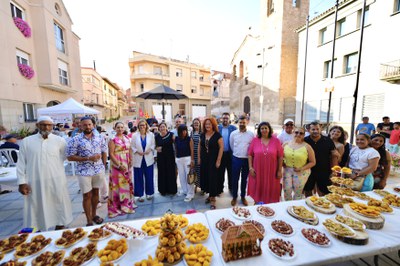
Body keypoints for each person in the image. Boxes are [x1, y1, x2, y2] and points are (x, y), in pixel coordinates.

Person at [17, 116, 72, 231]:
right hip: (35, 181)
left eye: (49, 125)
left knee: (58, 203)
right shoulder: (27, 141)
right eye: (43, 124)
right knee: (37, 205)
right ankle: (38, 230)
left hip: (56, 179)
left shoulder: (60, 141)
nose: (46, 127)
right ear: (37, 125)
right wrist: (21, 182)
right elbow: (21, 163)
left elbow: (65, 157)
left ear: (52, 126)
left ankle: (60, 226)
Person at [67, 117, 107, 226]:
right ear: (80, 126)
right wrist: (88, 158)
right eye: (85, 125)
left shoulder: (99, 137)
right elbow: (70, 157)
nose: (87, 127)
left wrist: (103, 165)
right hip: (84, 171)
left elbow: (104, 151)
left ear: (93, 125)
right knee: (86, 195)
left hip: (98, 170)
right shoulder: (75, 139)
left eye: (89, 124)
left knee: (96, 193)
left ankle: (94, 214)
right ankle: (88, 219)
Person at [248, 122, 283, 204]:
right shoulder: (255, 140)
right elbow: (250, 155)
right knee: (257, 189)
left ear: (269, 129)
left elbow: (280, 156)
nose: (264, 130)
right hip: (257, 169)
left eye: (266, 128)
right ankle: (258, 205)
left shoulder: (276, 141)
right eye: (262, 128)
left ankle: (269, 207)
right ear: (259, 130)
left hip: (272, 170)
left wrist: (279, 170)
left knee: (271, 189)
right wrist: (250, 168)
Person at [107, 122, 136, 218]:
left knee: (127, 184)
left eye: (121, 127)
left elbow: (130, 149)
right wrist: (118, 165)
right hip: (117, 164)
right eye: (118, 127)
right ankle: (118, 206)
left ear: (124, 128)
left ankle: (127, 204)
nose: (120, 129)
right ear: (115, 128)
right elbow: (111, 154)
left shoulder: (127, 138)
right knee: (118, 185)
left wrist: (131, 159)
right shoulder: (112, 140)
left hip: (127, 163)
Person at [304, 121, 338, 197]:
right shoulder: (305, 141)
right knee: (308, 190)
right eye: (313, 129)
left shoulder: (328, 140)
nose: (315, 131)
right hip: (308, 170)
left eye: (317, 129)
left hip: (324, 171)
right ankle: (309, 206)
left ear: (321, 129)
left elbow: (334, 155)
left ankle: (324, 207)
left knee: (325, 192)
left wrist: (334, 171)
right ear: (309, 130)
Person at [282, 127, 316, 201]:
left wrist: (301, 168)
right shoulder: (285, 144)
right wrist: (282, 163)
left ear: (304, 135)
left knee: (298, 193)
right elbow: (280, 157)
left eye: (301, 133)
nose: (298, 134)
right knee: (287, 191)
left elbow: (313, 162)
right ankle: (287, 207)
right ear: (293, 133)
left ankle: (296, 209)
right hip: (287, 170)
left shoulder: (307, 146)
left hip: (301, 172)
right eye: (296, 132)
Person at [229, 115, 254, 206]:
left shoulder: (251, 134)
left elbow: (252, 148)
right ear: (238, 123)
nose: (242, 124)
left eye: (244, 122)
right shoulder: (233, 134)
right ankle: (234, 197)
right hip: (236, 159)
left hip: (246, 160)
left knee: (244, 179)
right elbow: (231, 145)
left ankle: (243, 196)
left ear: (246, 122)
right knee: (235, 179)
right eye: (240, 122)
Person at [199, 117, 223, 209]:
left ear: (213, 125)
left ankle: (213, 200)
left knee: (213, 179)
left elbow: (221, 148)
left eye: (209, 124)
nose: (207, 125)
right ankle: (210, 196)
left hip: (214, 160)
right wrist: (199, 158)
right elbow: (200, 147)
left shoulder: (217, 135)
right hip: (205, 160)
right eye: (206, 124)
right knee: (206, 177)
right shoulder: (202, 134)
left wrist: (218, 160)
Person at [131, 119, 155, 202]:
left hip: (148, 158)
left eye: (143, 125)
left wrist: (149, 150)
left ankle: (149, 194)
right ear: (138, 126)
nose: (142, 127)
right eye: (140, 125)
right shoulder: (134, 135)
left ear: (146, 126)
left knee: (149, 176)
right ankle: (140, 195)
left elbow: (153, 144)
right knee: (138, 177)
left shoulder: (151, 134)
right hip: (138, 158)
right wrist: (137, 151)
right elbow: (132, 146)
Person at [155, 122, 177, 196]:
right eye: (161, 127)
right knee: (162, 173)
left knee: (171, 173)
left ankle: (172, 190)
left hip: (170, 157)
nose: (162, 128)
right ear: (159, 128)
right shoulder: (157, 136)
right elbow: (154, 146)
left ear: (166, 127)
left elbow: (176, 144)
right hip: (161, 158)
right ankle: (163, 190)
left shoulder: (171, 135)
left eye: (163, 126)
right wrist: (156, 148)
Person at [217, 112, 237, 194]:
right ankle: (220, 189)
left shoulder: (233, 128)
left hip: (230, 154)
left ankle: (231, 188)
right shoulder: (218, 128)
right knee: (220, 172)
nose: (225, 119)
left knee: (231, 172)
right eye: (224, 118)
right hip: (221, 154)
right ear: (221, 119)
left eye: (227, 118)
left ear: (229, 119)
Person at [175, 125, 195, 202]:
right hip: (179, 159)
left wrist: (192, 160)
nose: (184, 132)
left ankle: (190, 193)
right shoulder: (176, 139)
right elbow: (176, 149)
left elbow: (192, 150)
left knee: (189, 176)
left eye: (185, 130)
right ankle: (185, 190)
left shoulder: (189, 139)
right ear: (179, 131)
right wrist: (176, 159)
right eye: (182, 130)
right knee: (181, 176)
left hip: (187, 159)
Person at [190, 118, 202, 193]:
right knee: (194, 170)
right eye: (195, 123)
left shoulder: (202, 132)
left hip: (201, 154)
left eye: (197, 123)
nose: (196, 124)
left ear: (200, 124)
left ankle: (202, 186)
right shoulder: (191, 132)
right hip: (193, 153)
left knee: (201, 171)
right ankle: (195, 186)